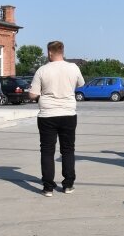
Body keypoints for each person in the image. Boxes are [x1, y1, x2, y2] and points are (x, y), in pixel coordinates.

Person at [28, 40, 85, 197]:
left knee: (47, 150)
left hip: (47, 115)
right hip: (68, 113)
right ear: (63, 51)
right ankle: (68, 184)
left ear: (49, 53)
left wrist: (37, 94)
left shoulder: (42, 70)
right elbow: (81, 83)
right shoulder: (73, 67)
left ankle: (48, 187)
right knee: (68, 149)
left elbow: (32, 94)